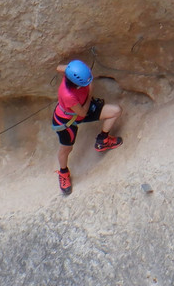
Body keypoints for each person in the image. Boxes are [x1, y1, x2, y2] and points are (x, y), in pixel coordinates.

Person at [52, 60, 122, 195]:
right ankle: (64, 173)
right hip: (67, 120)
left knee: (115, 111)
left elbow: (59, 67)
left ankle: (103, 140)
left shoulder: (71, 73)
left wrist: (70, 69)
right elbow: (82, 113)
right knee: (66, 149)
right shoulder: (68, 95)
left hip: (81, 108)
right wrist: (89, 94)